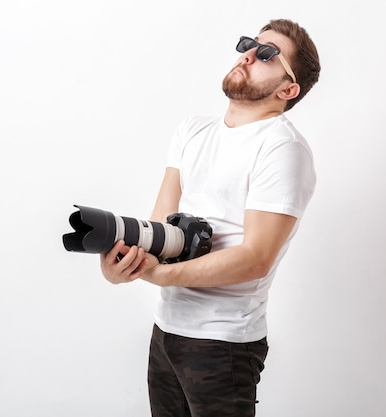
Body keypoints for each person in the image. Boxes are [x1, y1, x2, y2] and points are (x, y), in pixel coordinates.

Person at [99, 19, 321, 417]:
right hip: (166, 331)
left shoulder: (281, 148)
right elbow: (160, 229)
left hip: (224, 344)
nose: (250, 54)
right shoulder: (192, 131)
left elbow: (255, 258)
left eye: (268, 53)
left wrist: (160, 275)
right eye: (250, 44)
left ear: (288, 89)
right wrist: (125, 265)